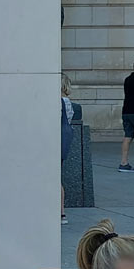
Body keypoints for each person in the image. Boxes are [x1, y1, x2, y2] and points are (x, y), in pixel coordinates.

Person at [62, 74, 75, 225]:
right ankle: (61, 212)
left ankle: (61, 212)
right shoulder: (69, 102)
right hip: (65, 138)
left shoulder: (60, 102)